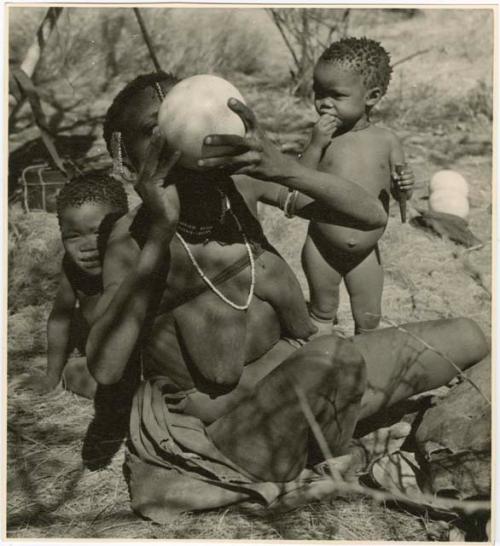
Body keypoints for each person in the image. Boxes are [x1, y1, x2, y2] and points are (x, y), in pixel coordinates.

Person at [86, 71, 488, 520]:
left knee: (469, 337)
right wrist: (160, 230)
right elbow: (105, 367)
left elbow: (369, 218)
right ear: (124, 160)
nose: (178, 139)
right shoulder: (132, 236)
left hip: (316, 377)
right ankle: (347, 451)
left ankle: (341, 440)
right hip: (233, 433)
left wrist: (282, 166)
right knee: (330, 357)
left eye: (188, 117)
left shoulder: (239, 187)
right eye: (153, 131)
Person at [300, 37, 415, 335]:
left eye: (336, 95)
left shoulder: (386, 140)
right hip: (321, 247)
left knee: (369, 318)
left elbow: (401, 199)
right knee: (322, 313)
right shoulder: (322, 138)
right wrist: (314, 146)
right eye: (319, 92)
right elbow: (297, 180)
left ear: (372, 97)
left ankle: (365, 372)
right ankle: (318, 366)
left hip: (366, 252)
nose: (323, 103)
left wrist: (405, 187)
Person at [21, 174, 128, 398]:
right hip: (107, 365)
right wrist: (51, 376)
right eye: (73, 236)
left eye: (99, 231)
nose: (87, 246)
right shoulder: (72, 268)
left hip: (148, 361)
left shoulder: (138, 263)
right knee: (71, 374)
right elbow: (60, 319)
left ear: (124, 226)